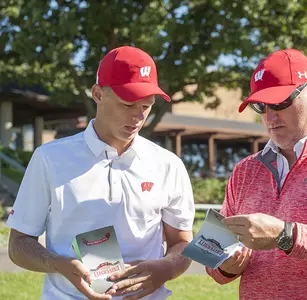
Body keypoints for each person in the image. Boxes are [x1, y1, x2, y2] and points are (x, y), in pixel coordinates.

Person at [6, 46, 195, 300]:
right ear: (98, 94)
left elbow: (182, 242)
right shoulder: (49, 158)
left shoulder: (168, 164)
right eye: (128, 103)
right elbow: (18, 244)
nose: (138, 116)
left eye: (146, 106)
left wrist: (167, 267)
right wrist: (56, 264)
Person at [206, 49, 307, 300]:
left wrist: (286, 236)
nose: (270, 117)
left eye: (281, 102)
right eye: (261, 106)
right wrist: (225, 266)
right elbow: (211, 258)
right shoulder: (245, 171)